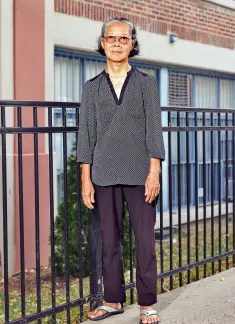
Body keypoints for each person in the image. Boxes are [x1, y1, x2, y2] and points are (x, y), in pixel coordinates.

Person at [77, 17, 165, 324]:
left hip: (141, 176)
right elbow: (85, 137)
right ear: (102, 43)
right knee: (108, 243)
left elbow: (155, 133)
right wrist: (86, 179)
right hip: (103, 175)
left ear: (133, 44)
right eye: (111, 38)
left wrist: (154, 173)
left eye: (123, 39)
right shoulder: (91, 89)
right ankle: (112, 300)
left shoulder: (146, 84)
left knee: (144, 241)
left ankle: (146, 305)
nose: (117, 43)